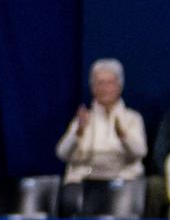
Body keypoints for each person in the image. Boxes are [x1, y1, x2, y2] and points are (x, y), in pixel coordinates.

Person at [55, 59, 148, 211]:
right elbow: (62, 153)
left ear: (119, 86)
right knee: (70, 197)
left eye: (109, 83)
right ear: (92, 87)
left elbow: (140, 152)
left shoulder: (132, 118)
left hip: (121, 178)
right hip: (86, 178)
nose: (104, 88)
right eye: (99, 83)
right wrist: (78, 132)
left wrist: (124, 137)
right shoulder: (83, 118)